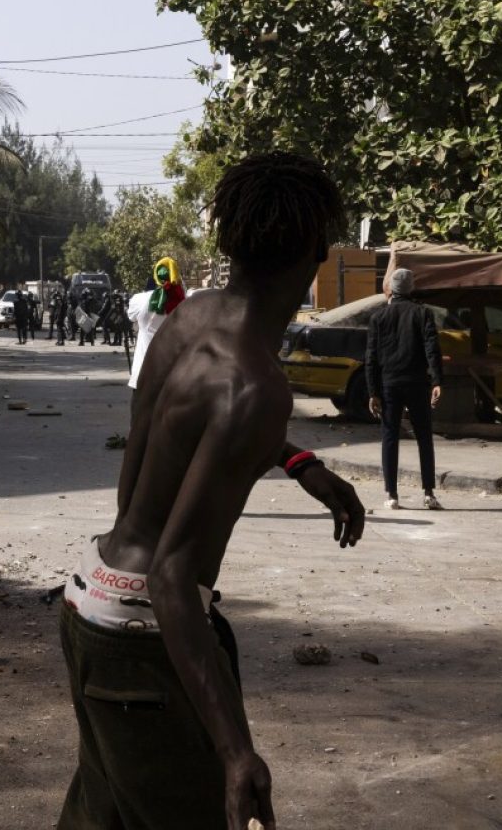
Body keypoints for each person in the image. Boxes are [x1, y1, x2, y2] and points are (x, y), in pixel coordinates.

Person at [58, 152, 365, 830]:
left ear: (229, 239)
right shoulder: (258, 387)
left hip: (88, 604)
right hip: (144, 638)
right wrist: (236, 753)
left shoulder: (188, 320)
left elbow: (175, 424)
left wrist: (296, 462)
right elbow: (172, 579)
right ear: (318, 248)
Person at [366, 267, 444, 510]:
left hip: (389, 384)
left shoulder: (378, 317)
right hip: (417, 384)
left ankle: (391, 494)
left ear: (391, 289)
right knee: (424, 437)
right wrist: (437, 380)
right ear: (411, 288)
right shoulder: (423, 314)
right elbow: (432, 348)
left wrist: (373, 391)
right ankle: (429, 492)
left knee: (390, 438)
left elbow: (371, 357)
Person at [126, 256, 186, 390]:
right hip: (174, 374)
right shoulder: (183, 302)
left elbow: (130, 316)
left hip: (143, 374)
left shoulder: (139, 300)